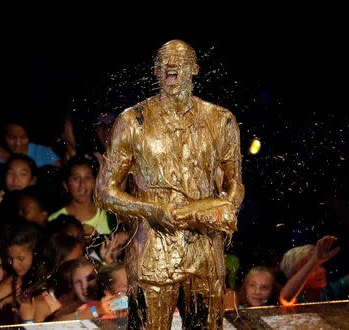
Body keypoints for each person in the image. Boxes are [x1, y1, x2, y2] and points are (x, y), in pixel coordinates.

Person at [96, 39, 244, 329]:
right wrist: (151, 209)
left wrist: (226, 209)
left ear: (196, 69)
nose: (171, 65)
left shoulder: (221, 120)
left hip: (204, 253)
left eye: (180, 60)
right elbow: (104, 192)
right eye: (163, 60)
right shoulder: (133, 121)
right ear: (155, 71)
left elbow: (235, 185)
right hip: (153, 253)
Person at [279, 233, 349, 305]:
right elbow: (286, 298)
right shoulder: (296, 301)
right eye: (313, 269)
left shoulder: (332, 292)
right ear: (295, 275)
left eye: (321, 266)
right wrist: (314, 261)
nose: (322, 271)